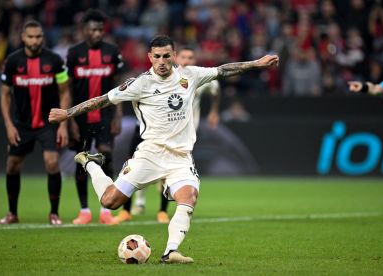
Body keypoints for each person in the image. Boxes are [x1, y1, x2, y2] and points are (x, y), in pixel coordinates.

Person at [49, 35, 278, 263]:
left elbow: (224, 70)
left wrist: (256, 64)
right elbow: (103, 100)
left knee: (189, 197)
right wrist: (68, 113)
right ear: (150, 57)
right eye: (157, 56)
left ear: (174, 56)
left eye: (166, 56)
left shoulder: (190, 75)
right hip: (149, 155)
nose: (161, 61)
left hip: (180, 158)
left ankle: (170, 252)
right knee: (109, 202)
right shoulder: (140, 83)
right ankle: (91, 162)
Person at [116, 46, 221, 224]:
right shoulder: (155, 78)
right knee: (137, 166)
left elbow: (216, 89)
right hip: (147, 130)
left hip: (178, 135)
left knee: (166, 172)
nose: (187, 61)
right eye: (184, 57)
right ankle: (131, 207)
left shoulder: (197, 77)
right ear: (175, 58)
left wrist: (214, 112)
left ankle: (161, 211)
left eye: (191, 57)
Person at [0, 20, 70, 225]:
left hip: (48, 123)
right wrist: (9, 125)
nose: (35, 40)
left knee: (52, 162)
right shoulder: (12, 61)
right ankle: (12, 213)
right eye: (30, 36)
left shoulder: (55, 60)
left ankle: (54, 213)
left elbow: (65, 91)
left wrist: (63, 123)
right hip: (21, 124)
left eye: (38, 36)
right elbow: (4, 96)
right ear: (23, 37)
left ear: (42, 37)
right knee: (12, 164)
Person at [66, 9, 124, 225]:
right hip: (80, 118)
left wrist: (118, 116)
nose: (97, 33)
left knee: (106, 156)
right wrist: (70, 119)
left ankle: (105, 210)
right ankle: (84, 210)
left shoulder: (112, 52)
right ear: (84, 30)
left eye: (100, 29)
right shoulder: (74, 53)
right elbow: (68, 89)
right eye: (93, 29)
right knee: (81, 160)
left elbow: (120, 88)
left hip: (106, 116)